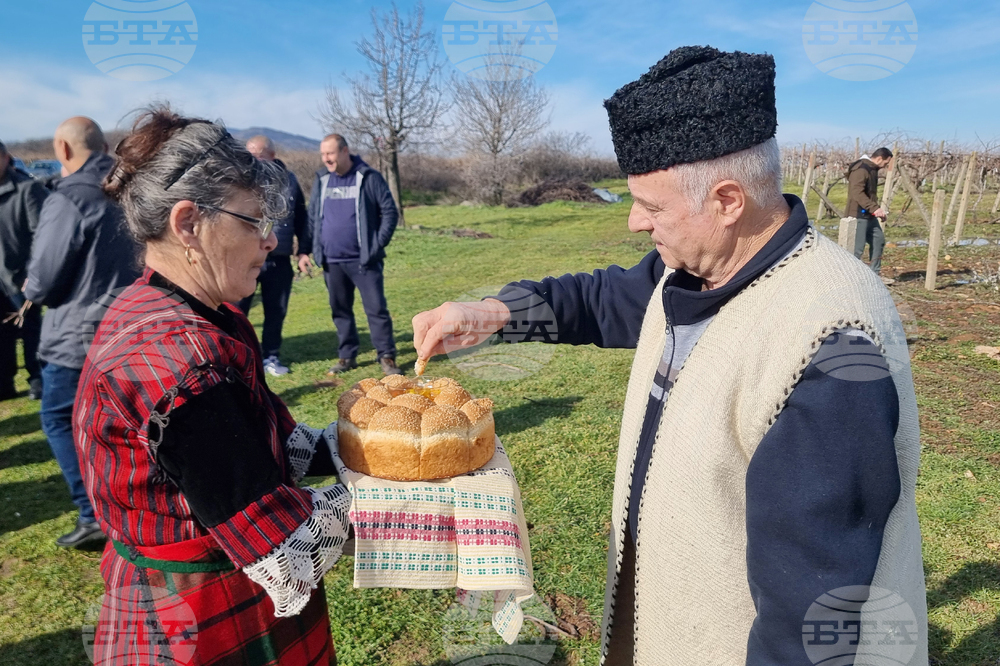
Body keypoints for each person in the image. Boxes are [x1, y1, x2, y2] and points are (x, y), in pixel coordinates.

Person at [413, 47, 927, 666]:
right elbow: (602, 298)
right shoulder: (694, 268)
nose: (633, 222)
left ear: (728, 200)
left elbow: (808, 611)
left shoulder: (829, 339)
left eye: (652, 207)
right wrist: (494, 313)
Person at [75, 107, 350, 665]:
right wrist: (408, 495)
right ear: (187, 224)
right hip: (201, 622)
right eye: (252, 221)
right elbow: (282, 546)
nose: (270, 241)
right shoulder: (177, 360)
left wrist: (378, 446)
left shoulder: (176, 306)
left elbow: (263, 445)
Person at [23, 117, 141, 548]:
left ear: (63, 148)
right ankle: (130, 505)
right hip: (134, 324)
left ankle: (95, 513)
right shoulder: (132, 189)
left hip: (80, 334)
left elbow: (45, 277)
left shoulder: (70, 197)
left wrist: (30, 289)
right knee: (124, 423)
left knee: (59, 417)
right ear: (104, 146)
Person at [308, 133, 401, 376]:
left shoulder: (367, 177)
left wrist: (376, 245)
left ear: (344, 151)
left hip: (363, 261)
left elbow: (390, 212)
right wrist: (314, 249)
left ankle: (387, 356)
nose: (326, 159)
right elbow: (313, 216)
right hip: (332, 260)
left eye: (330, 153)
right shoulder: (322, 180)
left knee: (376, 309)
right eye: (323, 154)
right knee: (340, 310)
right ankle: (347, 356)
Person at [237, 135, 312, 376]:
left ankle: (271, 357)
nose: (253, 160)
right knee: (238, 312)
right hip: (246, 258)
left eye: (258, 155)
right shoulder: (240, 180)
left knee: (275, 311)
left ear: (272, 155)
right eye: (249, 155)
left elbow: (302, 217)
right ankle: (239, 359)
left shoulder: (289, 180)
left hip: (278, 258)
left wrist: (303, 251)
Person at [0, 139, 45, 400]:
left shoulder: (27, 189)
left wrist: (33, 273)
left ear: (6, 158)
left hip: (20, 276)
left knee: (30, 331)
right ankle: (4, 383)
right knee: (3, 334)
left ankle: (37, 379)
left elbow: (41, 235)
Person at [846, 146, 893, 279]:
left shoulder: (871, 169)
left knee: (878, 240)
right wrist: (874, 208)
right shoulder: (861, 169)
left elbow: (870, 194)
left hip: (869, 214)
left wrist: (877, 210)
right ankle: (851, 278)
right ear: (879, 158)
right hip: (858, 215)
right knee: (857, 249)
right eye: (885, 163)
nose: (885, 166)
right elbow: (857, 193)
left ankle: (874, 275)